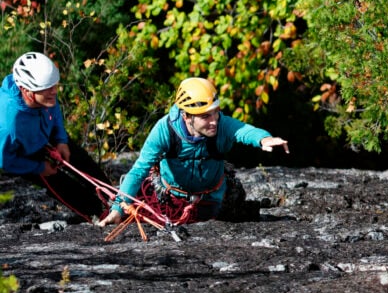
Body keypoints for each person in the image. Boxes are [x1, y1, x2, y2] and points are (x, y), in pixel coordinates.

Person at [99, 77, 289, 228]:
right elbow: (140, 170)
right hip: (170, 199)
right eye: (205, 116)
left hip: (212, 200)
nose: (214, 120)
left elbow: (243, 131)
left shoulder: (221, 125)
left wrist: (264, 139)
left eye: (216, 112)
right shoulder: (165, 130)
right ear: (186, 116)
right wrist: (118, 210)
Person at [0, 51, 109, 221]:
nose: (54, 91)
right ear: (26, 90)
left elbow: (54, 110)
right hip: (24, 152)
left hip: (44, 131)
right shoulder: (9, 124)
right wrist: (39, 167)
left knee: (81, 160)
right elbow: (5, 160)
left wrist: (61, 139)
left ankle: (115, 199)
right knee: (59, 182)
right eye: (48, 88)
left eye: (55, 85)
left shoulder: (43, 92)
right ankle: (97, 212)